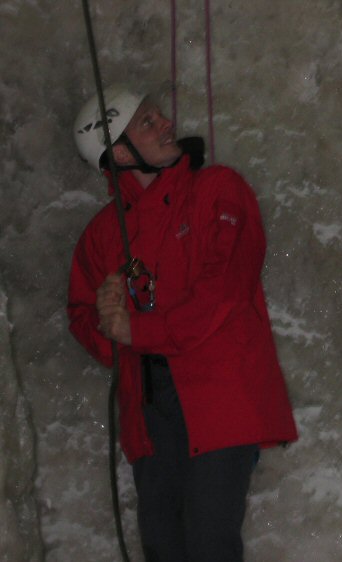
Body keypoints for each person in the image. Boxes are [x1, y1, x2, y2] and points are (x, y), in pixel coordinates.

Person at [68, 85, 298, 562]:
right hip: (151, 414)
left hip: (218, 400)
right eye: (148, 122)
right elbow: (83, 316)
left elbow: (224, 291)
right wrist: (106, 324)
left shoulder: (218, 190)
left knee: (209, 542)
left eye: (159, 116)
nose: (166, 124)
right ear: (119, 154)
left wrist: (135, 330)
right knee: (163, 546)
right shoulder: (103, 236)